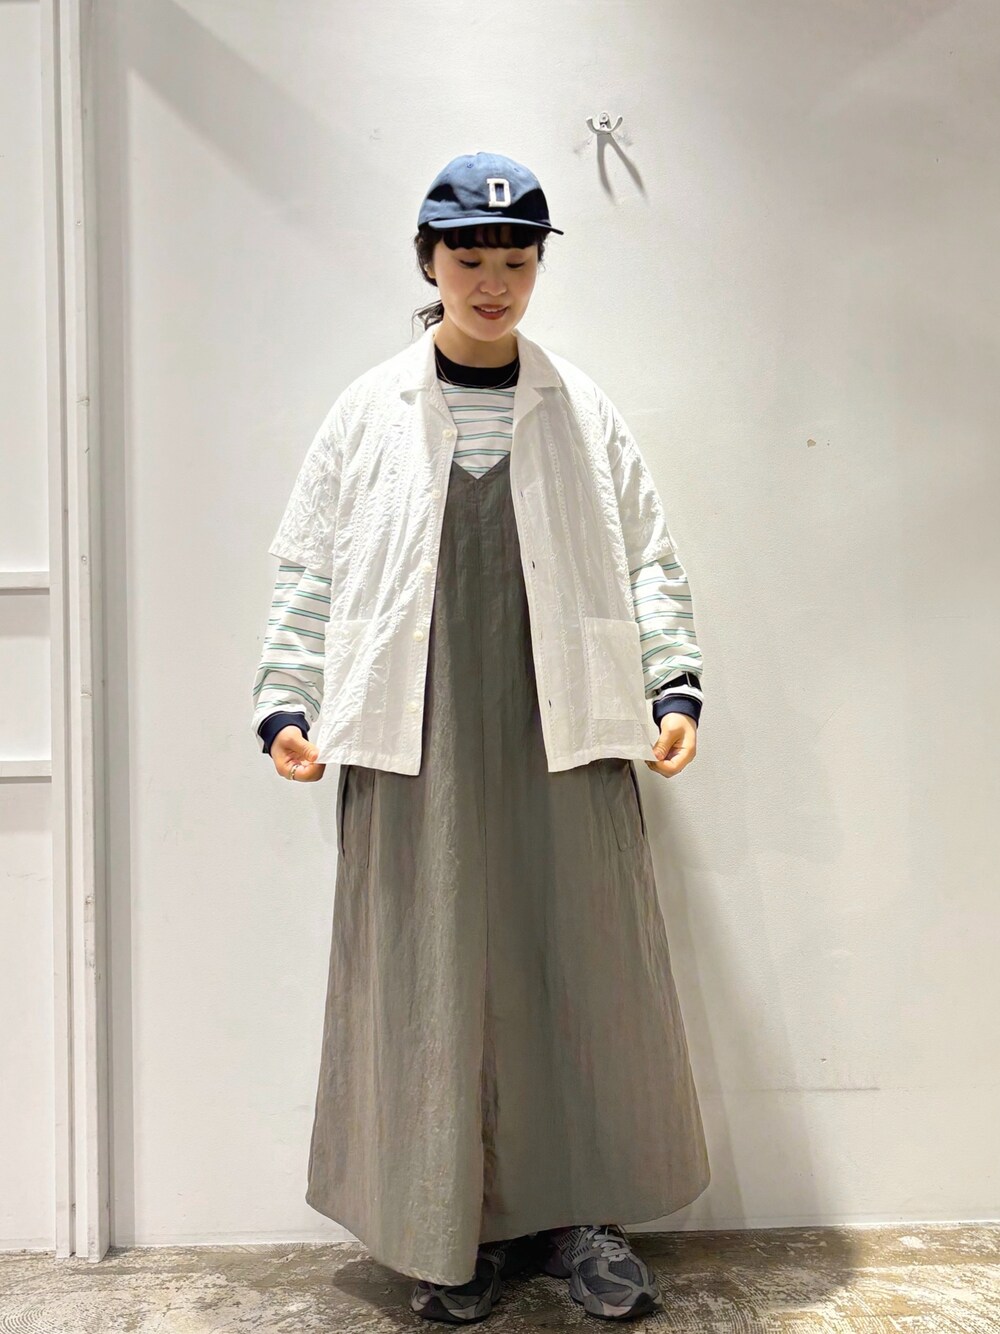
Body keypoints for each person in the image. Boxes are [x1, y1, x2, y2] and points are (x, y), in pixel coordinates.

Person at [250, 151, 711, 1324]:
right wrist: (286, 698)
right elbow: (308, 568)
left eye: (515, 259)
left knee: (579, 960)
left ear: (538, 266)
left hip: (566, 724)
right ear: (429, 262)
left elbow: (649, 558)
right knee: (425, 965)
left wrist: (673, 683)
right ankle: (440, 1223)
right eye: (469, 258)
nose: (493, 282)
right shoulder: (368, 411)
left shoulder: (581, 410)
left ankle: (581, 1215)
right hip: (416, 731)